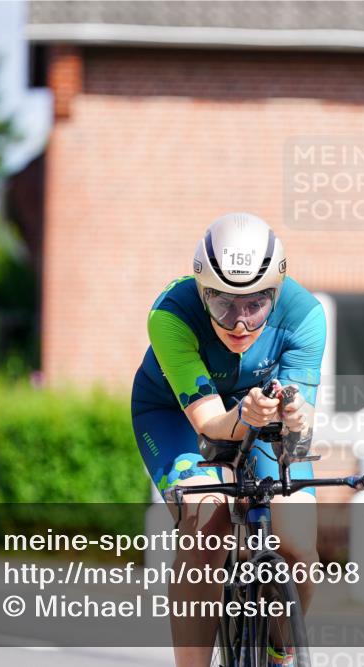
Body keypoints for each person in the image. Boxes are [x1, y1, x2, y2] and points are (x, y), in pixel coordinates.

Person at [131, 212, 325, 667]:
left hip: (261, 412)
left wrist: (294, 415)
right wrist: (244, 416)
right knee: (208, 525)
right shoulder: (170, 314)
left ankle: (280, 647)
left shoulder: (306, 314)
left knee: (297, 540)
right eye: (222, 304)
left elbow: (304, 420)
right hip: (178, 415)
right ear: (202, 293)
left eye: (255, 305)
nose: (239, 323)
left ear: (276, 294)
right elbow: (211, 424)